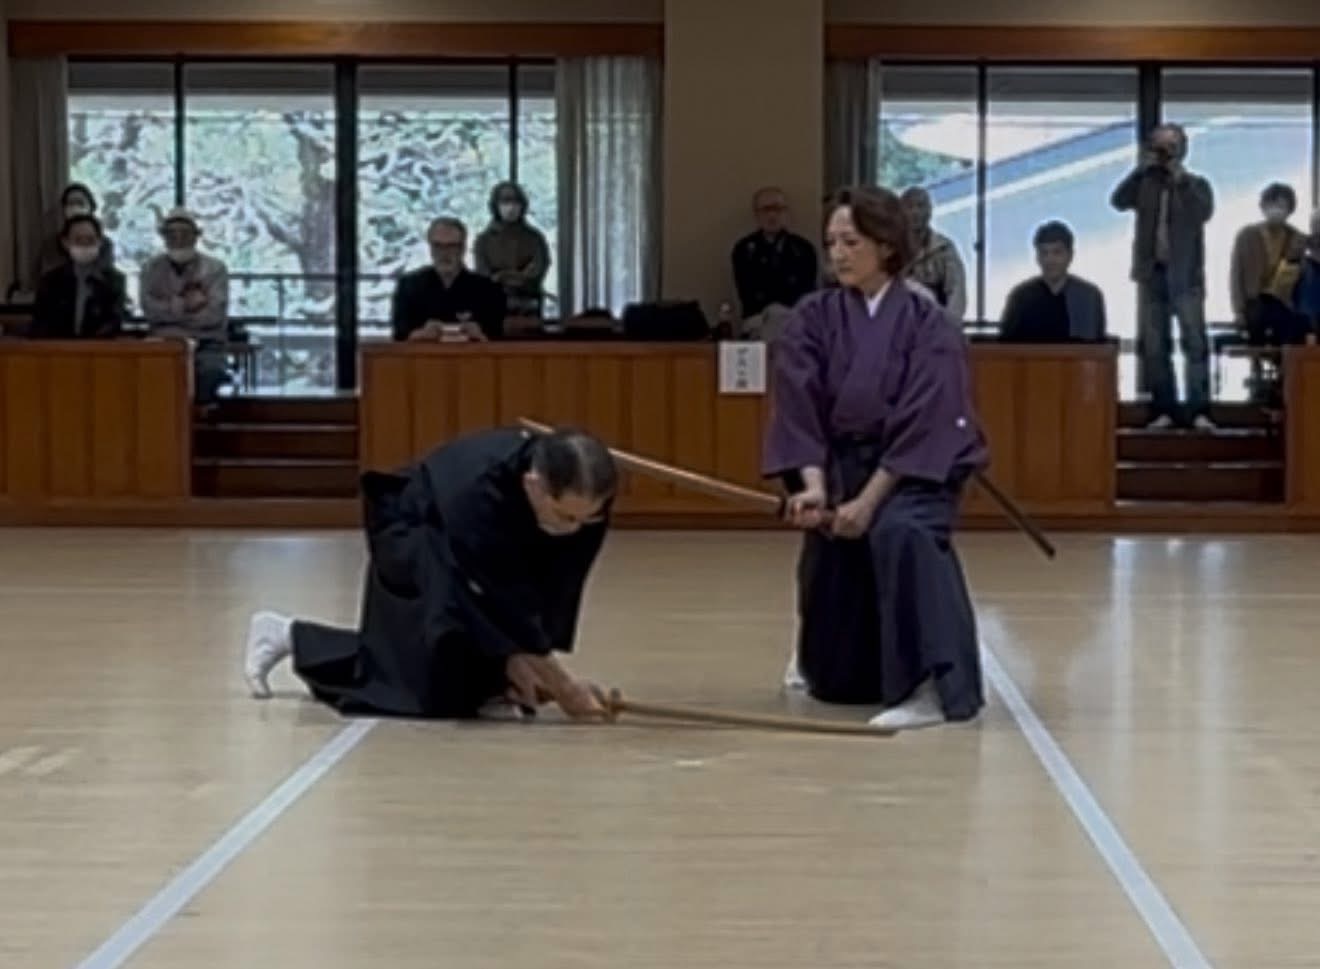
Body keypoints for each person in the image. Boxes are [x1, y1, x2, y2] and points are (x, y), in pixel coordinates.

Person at [764, 185, 989, 731]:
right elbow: (800, 407)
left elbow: (926, 421)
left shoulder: (927, 323)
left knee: (901, 534)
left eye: (851, 241)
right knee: (830, 556)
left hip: (915, 474)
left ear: (887, 247)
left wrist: (868, 503)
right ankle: (835, 665)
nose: (837, 253)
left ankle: (932, 684)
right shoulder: (814, 317)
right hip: (840, 466)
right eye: (831, 242)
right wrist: (813, 487)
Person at [243, 425, 617, 722]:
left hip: (480, 555)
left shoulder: (587, 490)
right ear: (534, 484)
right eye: (567, 516)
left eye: (590, 517)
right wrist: (564, 688)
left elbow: (563, 579)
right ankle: (288, 635)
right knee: (420, 689)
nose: (576, 528)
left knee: (476, 686)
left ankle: (490, 681)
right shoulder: (476, 493)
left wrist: (527, 656)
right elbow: (499, 595)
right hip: (416, 532)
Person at [1110, 123, 1215, 430]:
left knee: (1194, 344)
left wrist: (1179, 177)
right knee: (1155, 346)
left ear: (1182, 149)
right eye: (1158, 145)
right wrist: (1139, 170)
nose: (1163, 152)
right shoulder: (1145, 183)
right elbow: (1117, 201)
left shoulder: (1196, 184)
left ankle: (1198, 411)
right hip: (1151, 273)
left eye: (1170, 146)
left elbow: (1203, 212)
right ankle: (1163, 410)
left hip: (1186, 277)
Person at [140, 208, 232, 404]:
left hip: (206, 344)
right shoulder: (150, 268)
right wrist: (187, 306)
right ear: (163, 237)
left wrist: (170, 310)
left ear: (197, 236)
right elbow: (150, 311)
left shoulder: (215, 269)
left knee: (210, 374)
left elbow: (213, 315)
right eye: (172, 234)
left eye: (185, 233)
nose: (179, 239)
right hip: (162, 344)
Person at [390, 217, 507, 342]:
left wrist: (480, 336)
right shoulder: (409, 286)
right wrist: (421, 334)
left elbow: (497, 339)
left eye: (452, 246)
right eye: (438, 246)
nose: (444, 253)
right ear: (430, 248)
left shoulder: (488, 290)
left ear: (463, 248)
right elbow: (399, 335)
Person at [999, 220, 1107, 344]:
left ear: (1070, 255)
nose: (1050, 260)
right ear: (1037, 257)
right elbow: (1006, 346)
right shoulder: (1021, 297)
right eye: (1044, 253)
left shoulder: (1088, 296)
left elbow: (1096, 348)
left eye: (1057, 252)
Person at [29, 214, 127, 339]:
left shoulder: (115, 281)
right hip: (58, 350)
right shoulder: (50, 281)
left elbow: (114, 321)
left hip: (100, 350)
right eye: (78, 240)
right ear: (65, 243)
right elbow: (41, 322)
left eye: (91, 240)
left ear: (100, 242)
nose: (85, 245)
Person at [731, 186, 818, 319]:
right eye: (766, 210)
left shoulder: (803, 248)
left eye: (778, 209)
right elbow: (746, 292)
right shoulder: (744, 249)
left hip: (795, 319)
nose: (772, 215)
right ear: (756, 214)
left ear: (786, 213)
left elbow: (807, 291)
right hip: (758, 320)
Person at [473, 182, 551, 318]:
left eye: (516, 202)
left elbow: (539, 267)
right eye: (505, 201)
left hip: (529, 305)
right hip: (493, 305)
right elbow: (482, 273)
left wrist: (516, 278)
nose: (511, 207)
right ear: (495, 205)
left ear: (523, 205)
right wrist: (501, 279)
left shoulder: (534, 238)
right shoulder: (483, 240)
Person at [900, 186, 968, 322]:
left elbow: (956, 292)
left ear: (930, 212)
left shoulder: (944, 248)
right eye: (909, 207)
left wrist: (947, 326)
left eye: (920, 206)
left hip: (934, 323)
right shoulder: (888, 248)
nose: (915, 212)